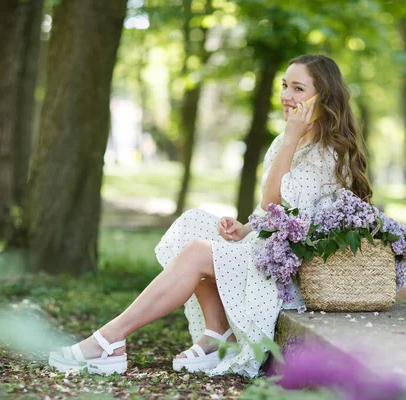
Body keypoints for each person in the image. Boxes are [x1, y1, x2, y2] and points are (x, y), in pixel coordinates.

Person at [48, 54, 373, 378]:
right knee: (193, 225)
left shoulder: (328, 153)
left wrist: (290, 138)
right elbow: (273, 212)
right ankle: (218, 332)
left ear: (323, 96)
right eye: (285, 85)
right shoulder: (286, 140)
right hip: (268, 246)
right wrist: (245, 228)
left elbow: (277, 203)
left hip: (291, 270)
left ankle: (109, 340)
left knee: (197, 253)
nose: (287, 96)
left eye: (298, 89)